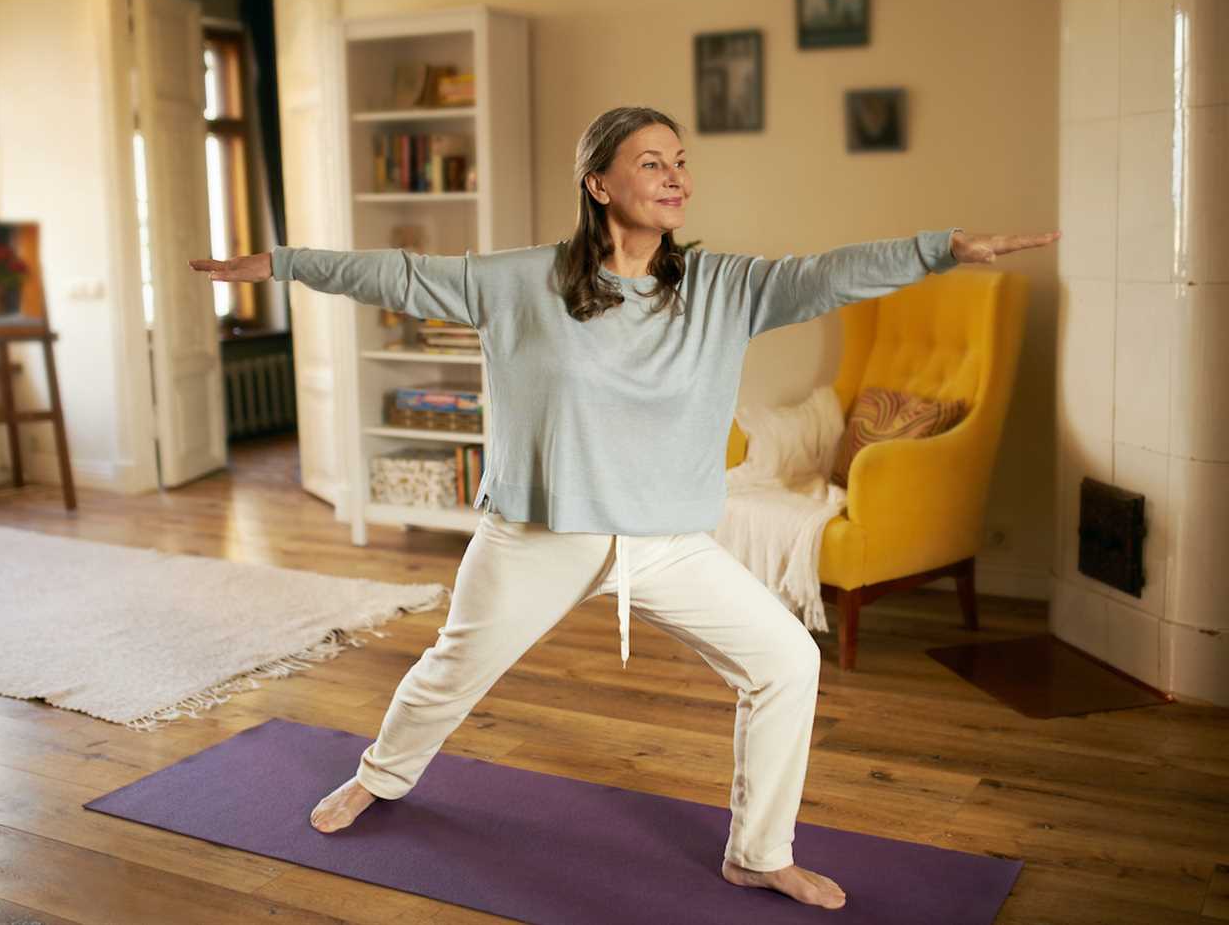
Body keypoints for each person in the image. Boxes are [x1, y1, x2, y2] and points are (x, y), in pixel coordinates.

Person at [190, 105, 1059, 912]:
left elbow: (826, 276)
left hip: (666, 541)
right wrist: (285, 263)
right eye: (652, 161)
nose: (677, 176)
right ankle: (379, 777)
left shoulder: (725, 287)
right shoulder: (521, 282)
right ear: (598, 183)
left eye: (681, 161)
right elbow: (407, 276)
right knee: (453, 670)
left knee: (788, 661)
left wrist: (939, 248)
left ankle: (758, 851)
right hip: (539, 534)